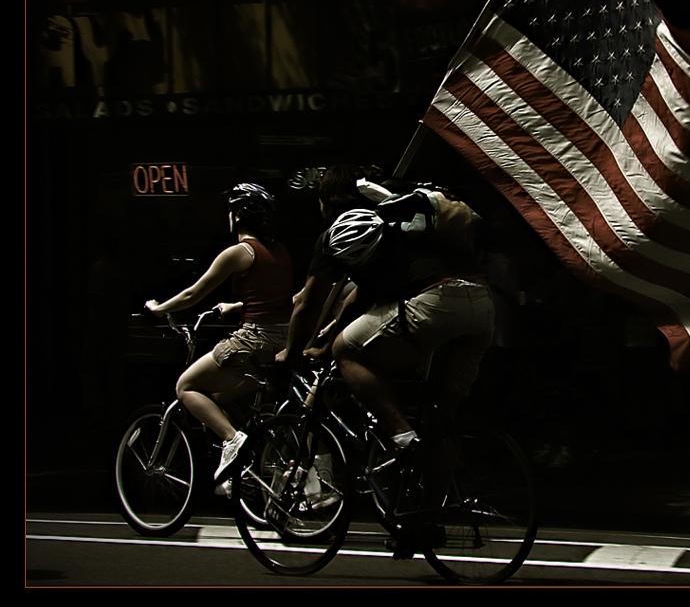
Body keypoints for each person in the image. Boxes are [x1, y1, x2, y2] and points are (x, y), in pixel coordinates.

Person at [276, 164, 495, 456]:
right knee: (440, 421)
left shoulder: (343, 231)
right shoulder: (395, 220)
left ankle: (402, 436)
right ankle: (442, 496)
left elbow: (307, 304)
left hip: (433, 302)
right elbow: (360, 297)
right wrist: (327, 339)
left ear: (326, 198)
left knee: (347, 352)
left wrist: (292, 352)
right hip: (481, 303)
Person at [145, 183, 294, 482]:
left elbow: (193, 293)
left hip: (253, 338)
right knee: (220, 395)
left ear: (238, 214)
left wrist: (160, 309)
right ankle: (255, 457)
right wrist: (238, 305)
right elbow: (274, 298)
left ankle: (232, 440)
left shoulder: (239, 252)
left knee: (186, 387)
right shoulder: (278, 251)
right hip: (282, 338)